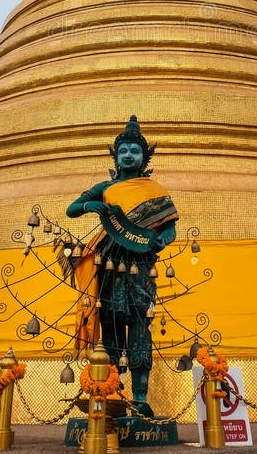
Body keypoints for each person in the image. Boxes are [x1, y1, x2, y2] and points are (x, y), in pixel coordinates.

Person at [66, 116, 178, 410]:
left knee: (140, 325)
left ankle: (140, 397)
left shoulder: (154, 189)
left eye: (135, 151)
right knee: (111, 324)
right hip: (109, 264)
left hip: (141, 265)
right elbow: (72, 209)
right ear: (115, 156)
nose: (129, 155)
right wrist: (91, 205)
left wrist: (162, 240)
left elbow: (170, 229)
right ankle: (112, 390)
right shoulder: (105, 187)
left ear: (144, 158)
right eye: (124, 150)